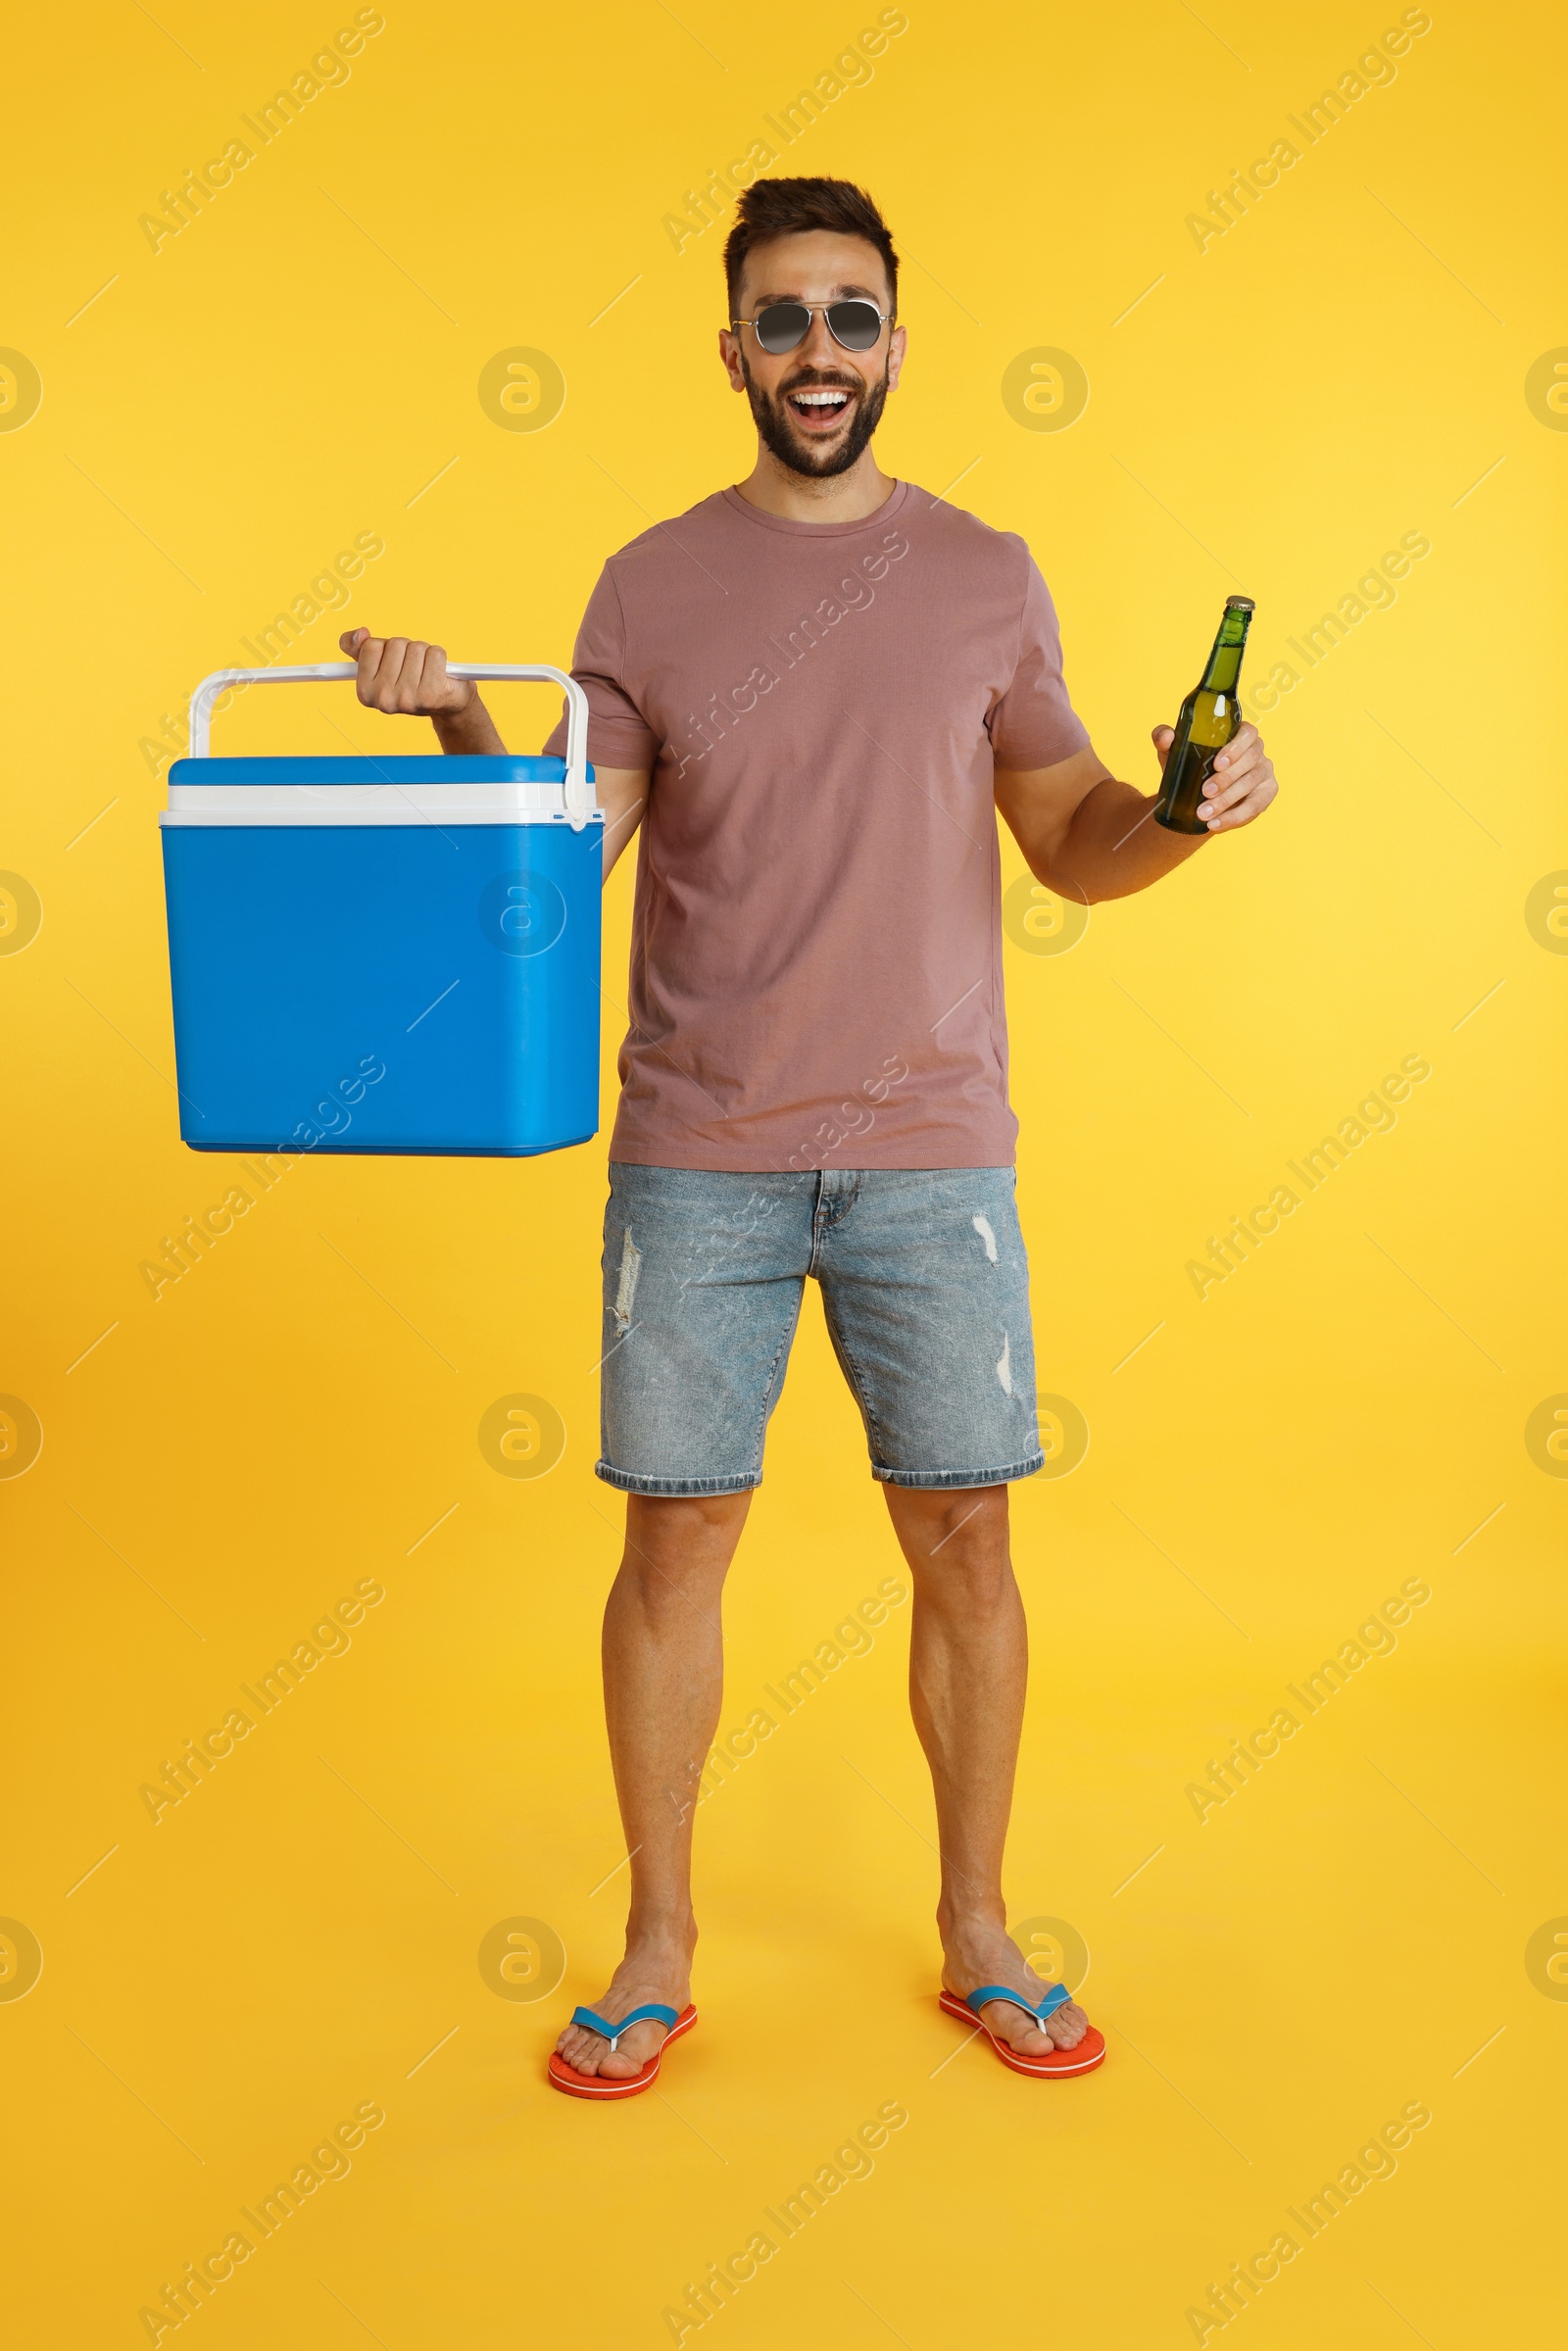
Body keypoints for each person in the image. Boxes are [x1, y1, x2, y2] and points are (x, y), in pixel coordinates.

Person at [339, 176, 1279, 2096]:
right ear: (729, 351)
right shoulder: (644, 584)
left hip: (933, 1150)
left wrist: (1184, 811)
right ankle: (658, 1947)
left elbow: (1072, 843)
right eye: (780, 320)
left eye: (849, 318)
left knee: (961, 1534)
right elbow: (554, 867)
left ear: (895, 345)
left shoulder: (981, 575)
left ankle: (976, 1933)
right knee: (676, 1537)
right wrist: (449, 732)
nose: (817, 354)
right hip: (697, 1148)